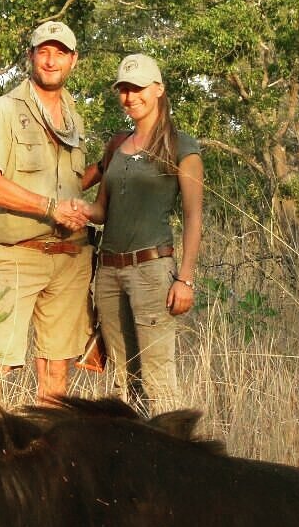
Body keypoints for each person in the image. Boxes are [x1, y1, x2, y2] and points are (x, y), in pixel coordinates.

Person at [0, 20, 93, 408]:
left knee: (56, 368)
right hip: (18, 253)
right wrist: (51, 209)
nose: (51, 60)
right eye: (43, 51)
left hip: (71, 258)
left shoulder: (75, 118)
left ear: (74, 60)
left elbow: (67, 187)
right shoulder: (3, 110)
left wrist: (103, 171)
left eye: (60, 53)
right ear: (31, 57)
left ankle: (47, 461)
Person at [77, 53, 204, 413]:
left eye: (138, 89)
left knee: (158, 379)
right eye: (124, 90)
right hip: (109, 273)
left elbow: (194, 217)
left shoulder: (182, 146)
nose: (130, 97)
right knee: (122, 380)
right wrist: (76, 209)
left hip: (152, 271)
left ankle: (172, 458)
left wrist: (186, 280)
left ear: (158, 89)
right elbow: (101, 209)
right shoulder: (117, 146)